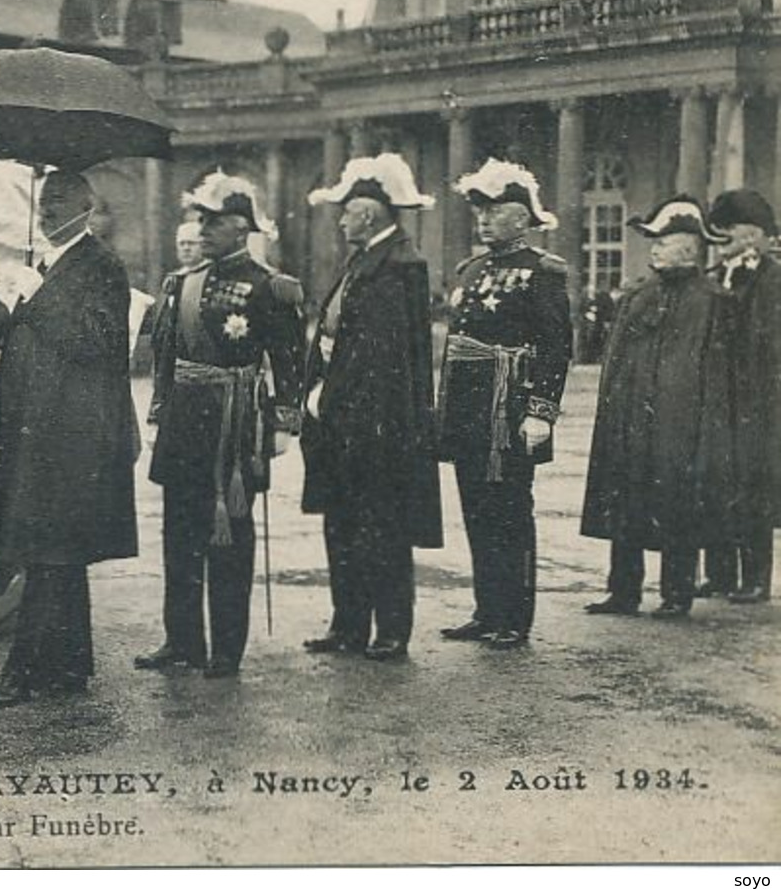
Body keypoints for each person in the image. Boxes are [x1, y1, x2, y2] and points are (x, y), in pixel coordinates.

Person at [0, 170, 138, 708]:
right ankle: (69, 666)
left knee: (48, 549)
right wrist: (6, 353)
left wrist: (38, 301)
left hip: (74, 433)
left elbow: (99, 344)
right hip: (40, 424)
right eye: (43, 202)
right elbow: (43, 341)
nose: (46, 213)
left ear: (85, 208)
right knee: (56, 552)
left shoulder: (102, 267)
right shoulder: (48, 266)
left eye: (58, 203)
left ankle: (22, 671)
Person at [138, 172, 303, 680]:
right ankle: (182, 641)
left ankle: (226, 649)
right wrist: (159, 411)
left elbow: (291, 360)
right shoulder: (180, 285)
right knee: (178, 534)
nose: (203, 229)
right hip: (185, 421)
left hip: (234, 425)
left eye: (215, 222)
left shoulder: (269, 287)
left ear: (242, 228)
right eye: (200, 219)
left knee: (228, 538)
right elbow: (166, 357)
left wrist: (282, 423)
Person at [299, 153, 443, 662]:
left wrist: (330, 397)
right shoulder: (363, 262)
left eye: (347, 212)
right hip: (344, 422)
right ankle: (348, 625)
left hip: (376, 427)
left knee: (382, 529)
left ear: (370, 215)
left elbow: (381, 361)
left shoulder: (399, 266)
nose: (340, 221)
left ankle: (390, 629)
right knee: (343, 526)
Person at [435, 160, 572, 650]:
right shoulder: (471, 270)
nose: (484, 220)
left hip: (511, 410)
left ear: (523, 218)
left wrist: (541, 411)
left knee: (511, 511)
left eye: (496, 212)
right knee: (476, 509)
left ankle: (514, 617)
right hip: (470, 410)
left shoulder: (544, 272)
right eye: (481, 212)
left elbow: (557, 347)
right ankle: (486, 608)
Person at [582, 195, 736, 618]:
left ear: (689, 247)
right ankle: (623, 591)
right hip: (632, 419)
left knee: (678, 506)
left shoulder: (713, 301)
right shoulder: (638, 294)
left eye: (663, 241)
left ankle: (676, 593)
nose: (653, 248)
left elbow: (720, 376)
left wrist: (710, 429)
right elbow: (616, 361)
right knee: (628, 501)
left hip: (683, 425)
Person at [700, 190, 778, 603]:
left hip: (757, 403)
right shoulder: (716, 275)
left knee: (753, 490)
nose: (722, 239)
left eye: (728, 231)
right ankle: (720, 573)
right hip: (719, 398)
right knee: (716, 485)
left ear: (753, 234)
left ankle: (756, 578)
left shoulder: (772, 278)